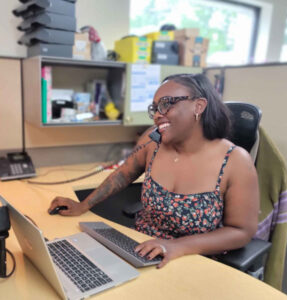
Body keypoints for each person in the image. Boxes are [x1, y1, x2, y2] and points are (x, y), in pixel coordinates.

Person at [48, 73, 259, 269]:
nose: (158, 115)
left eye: (166, 104)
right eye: (155, 108)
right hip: (139, 250)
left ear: (199, 106)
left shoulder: (235, 160)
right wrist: (84, 205)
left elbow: (241, 231)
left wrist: (176, 246)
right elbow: (123, 174)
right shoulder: (152, 141)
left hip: (193, 260)